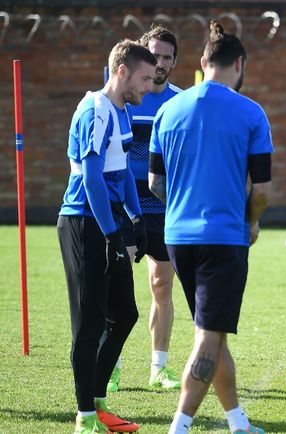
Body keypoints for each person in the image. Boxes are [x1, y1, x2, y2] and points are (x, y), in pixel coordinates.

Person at [149, 20, 272, 434]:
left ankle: (238, 422)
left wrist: (182, 208)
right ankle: (179, 425)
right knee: (208, 335)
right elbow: (262, 190)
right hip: (223, 238)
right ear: (239, 64)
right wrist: (250, 222)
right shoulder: (251, 113)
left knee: (213, 331)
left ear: (203, 63)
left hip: (177, 238)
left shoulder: (167, 110)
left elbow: (155, 182)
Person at [58, 39, 156, 434]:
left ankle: (97, 404)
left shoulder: (122, 112)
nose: (150, 86)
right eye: (145, 78)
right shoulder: (95, 110)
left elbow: (122, 172)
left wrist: (137, 217)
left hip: (109, 222)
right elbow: (93, 179)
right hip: (85, 222)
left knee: (125, 314)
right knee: (89, 323)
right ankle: (85, 418)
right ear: (122, 71)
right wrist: (113, 234)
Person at [107, 24, 183, 393]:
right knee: (115, 285)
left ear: (175, 62)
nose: (161, 63)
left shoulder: (180, 102)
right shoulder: (123, 98)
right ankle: (111, 366)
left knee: (161, 284)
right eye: (155, 55)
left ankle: (159, 368)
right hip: (124, 204)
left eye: (168, 57)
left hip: (163, 205)